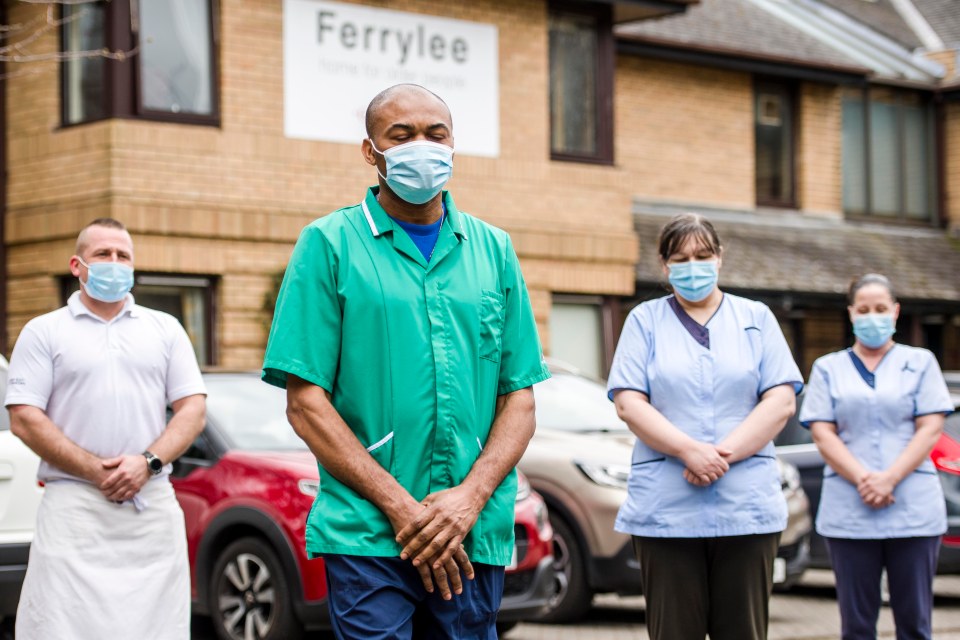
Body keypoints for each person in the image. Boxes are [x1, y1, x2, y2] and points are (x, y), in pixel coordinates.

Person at [261, 84, 549, 640]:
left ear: (453, 144)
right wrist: (401, 508)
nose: (422, 145)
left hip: (470, 530)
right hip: (369, 530)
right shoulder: (330, 244)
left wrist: (467, 500)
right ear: (371, 152)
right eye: (402, 135)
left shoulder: (494, 250)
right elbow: (305, 404)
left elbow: (520, 397)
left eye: (435, 134)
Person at [6, 218, 207, 640]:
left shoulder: (165, 328)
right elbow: (24, 416)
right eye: (103, 254)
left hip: (151, 510)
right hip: (73, 510)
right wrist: (96, 471)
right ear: (77, 265)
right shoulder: (44, 331)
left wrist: (147, 463)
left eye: (123, 256)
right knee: (61, 626)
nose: (114, 263)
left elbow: (192, 409)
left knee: (157, 628)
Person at [606, 213, 802, 640]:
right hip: (667, 508)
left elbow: (781, 400)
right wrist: (687, 451)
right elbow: (628, 402)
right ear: (664, 266)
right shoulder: (644, 320)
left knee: (743, 632)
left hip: (745, 507)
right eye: (680, 258)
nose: (692, 266)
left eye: (702, 255)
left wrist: (718, 455)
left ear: (719, 258)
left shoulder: (756, 318)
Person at [800, 273, 952, 640]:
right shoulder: (827, 367)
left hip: (911, 504)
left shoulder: (921, 362)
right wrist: (864, 479)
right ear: (851, 313)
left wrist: (890, 478)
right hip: (851, 505)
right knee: (856, 625)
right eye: (864, 309)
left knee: (915, 622)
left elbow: (930, 428)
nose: (873, 317)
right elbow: (823, 431)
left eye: (881, 309)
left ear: (895, 312)